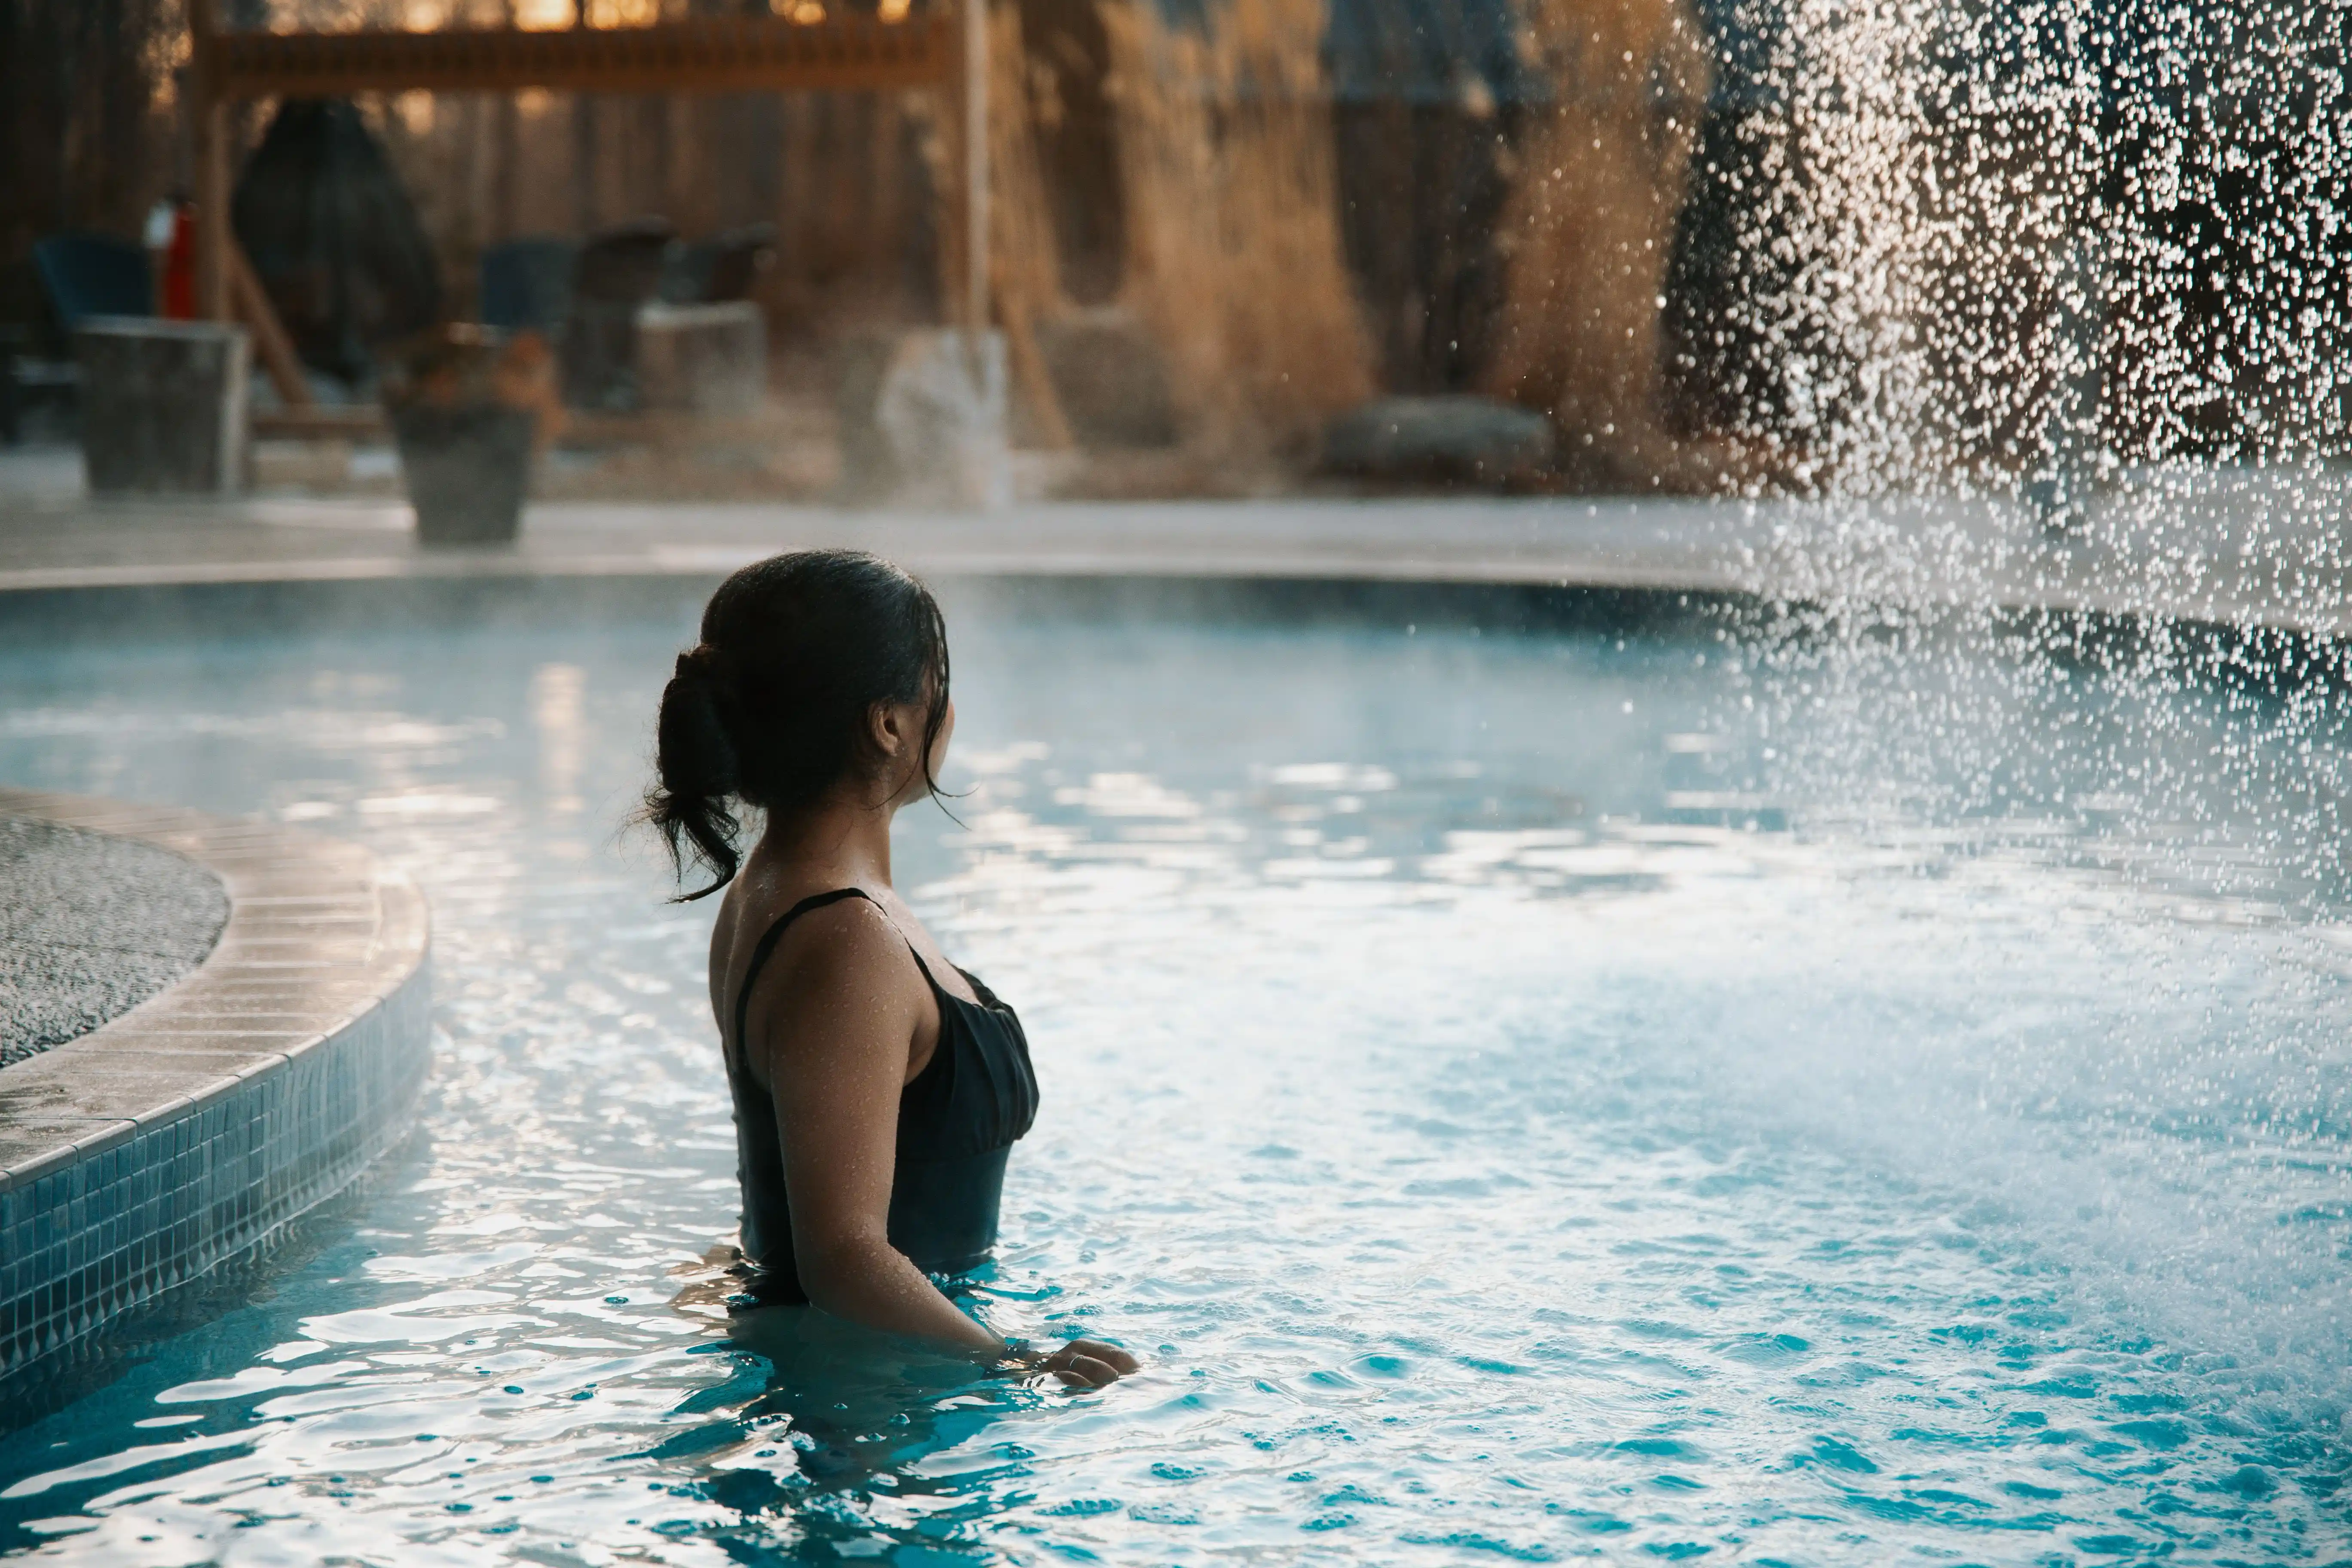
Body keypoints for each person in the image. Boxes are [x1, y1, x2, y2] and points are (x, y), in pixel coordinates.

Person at [644, 550, 1136, 1390]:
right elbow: (844, 1258)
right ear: (888, 725)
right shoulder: (847, 941)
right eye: (936, 678)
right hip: (873, 1415)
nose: (950, 706)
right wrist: (1019, 1365)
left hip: (844, 1374)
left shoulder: (778, 888)